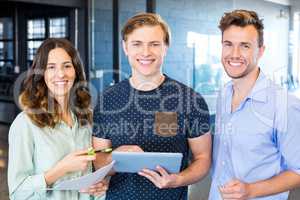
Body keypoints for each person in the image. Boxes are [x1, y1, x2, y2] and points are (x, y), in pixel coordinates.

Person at [92, 12, 212, 200]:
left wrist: (178, 179)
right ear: (125, 47)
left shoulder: (190, 100)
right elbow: (98, 160)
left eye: (154, 44)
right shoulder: (107, 100)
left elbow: (203, 159)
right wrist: (113, 157)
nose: (146, 52)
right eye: (137, 44)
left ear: (165, 47)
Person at [209, 9, 300, 200]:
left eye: (245, 46)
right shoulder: (224, 94)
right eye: (228, 44)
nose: (234, 54)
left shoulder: (285, 105)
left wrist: (251, 190)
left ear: (260, 51)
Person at [8, 38, 107, 200]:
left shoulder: (87, 118)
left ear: (76, 71)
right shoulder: (25, 123)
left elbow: (92, 180)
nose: (61, 74)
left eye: (67, 66)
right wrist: (60, 169)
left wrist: (99, 188)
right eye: (51, 67)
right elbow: (17, 193)